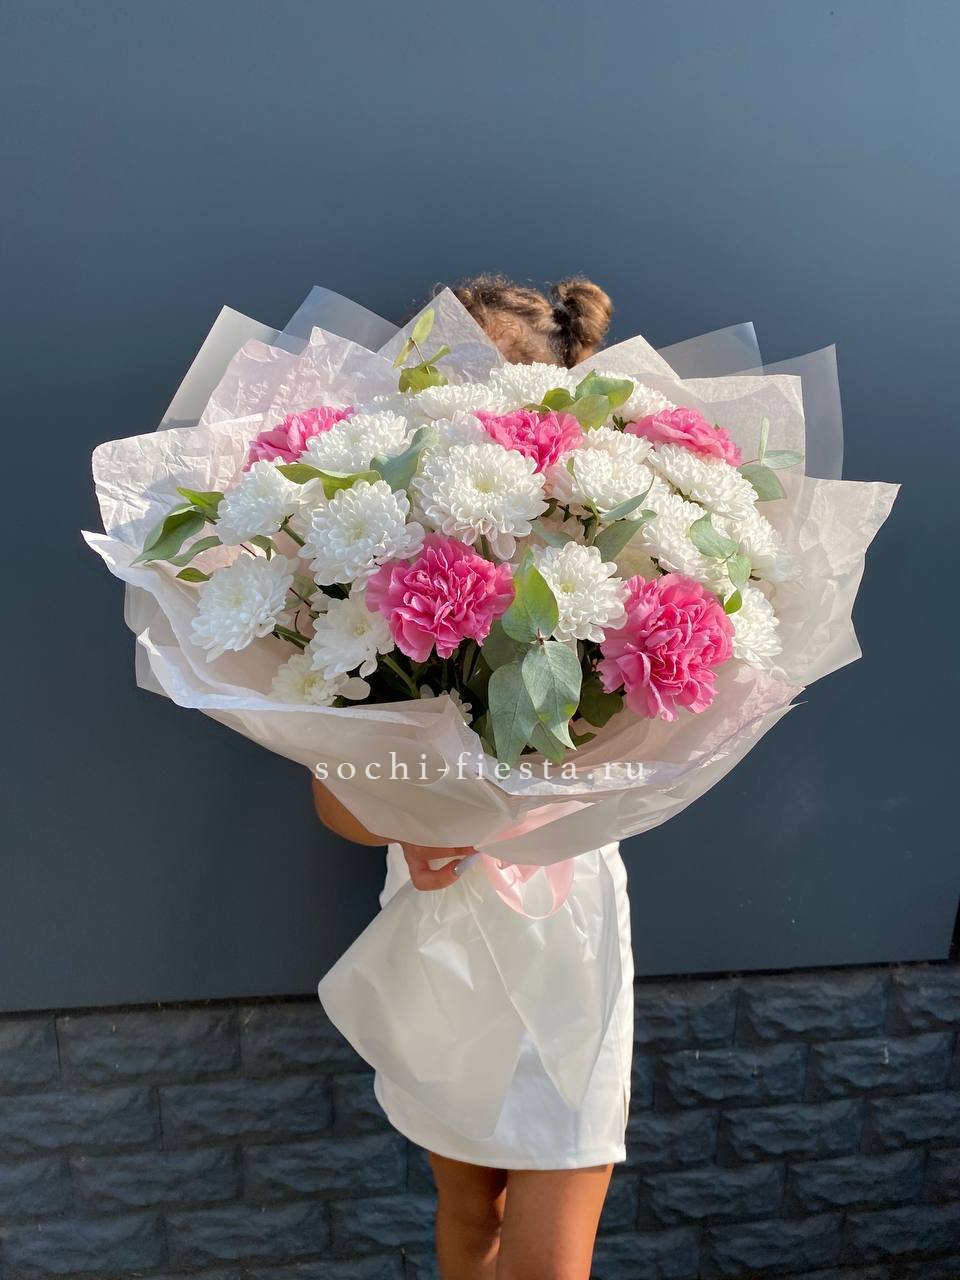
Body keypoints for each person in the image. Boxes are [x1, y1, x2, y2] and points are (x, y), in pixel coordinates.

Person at [312, 275, 634, 1280]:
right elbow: (333, 798)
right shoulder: (383, 579)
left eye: (492, 392)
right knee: (468, 1212)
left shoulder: (613, 559)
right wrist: (406, 820)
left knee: (548, 1254)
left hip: (566, 932)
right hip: (441, 922)